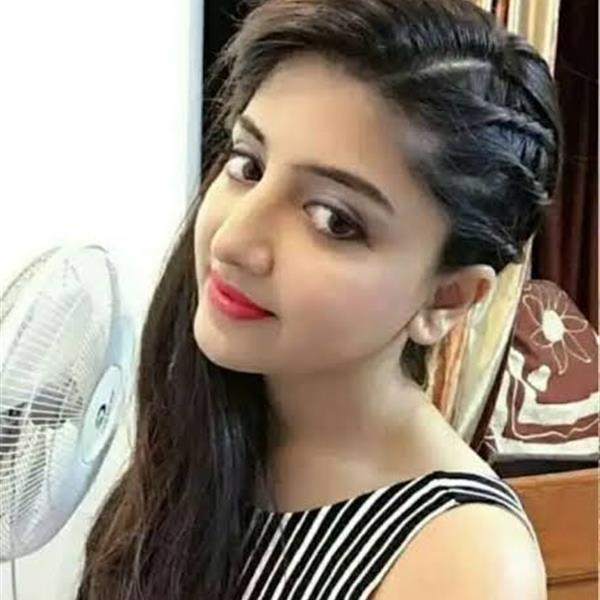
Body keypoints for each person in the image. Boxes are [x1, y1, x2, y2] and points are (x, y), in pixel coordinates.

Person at [76, 0, 563, 598]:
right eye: (248, 165)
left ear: (448, 297)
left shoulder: (462, 560)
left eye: (334, 220)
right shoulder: (209, 427)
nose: (233, 242)